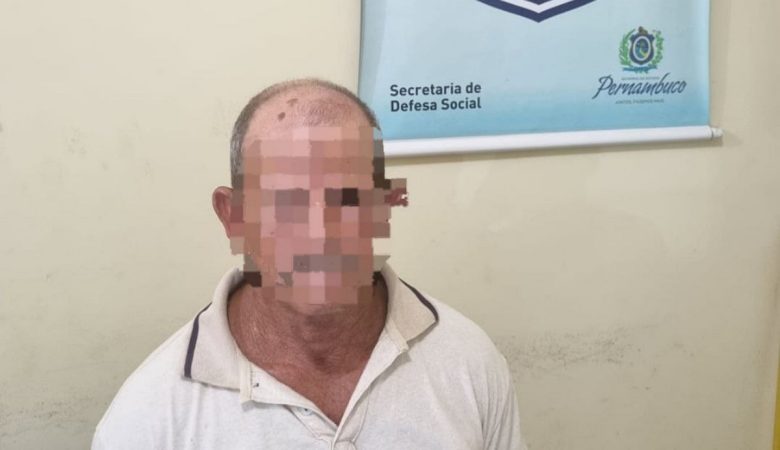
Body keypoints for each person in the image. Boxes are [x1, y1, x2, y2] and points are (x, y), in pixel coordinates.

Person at [93, 79, 527, 449]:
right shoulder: (149, 417)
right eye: (287, 200)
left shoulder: (468, 362)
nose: (321, 232)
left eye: (349, 198)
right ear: (233, 217)